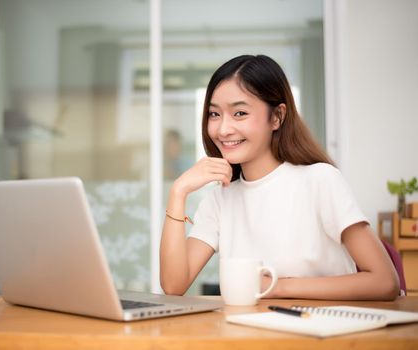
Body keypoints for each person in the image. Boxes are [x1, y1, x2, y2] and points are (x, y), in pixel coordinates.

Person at [159, 54, 400, 300]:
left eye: (240, 113)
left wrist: (276, 287)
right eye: (214, 114)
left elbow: (384, 281)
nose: (222, 129)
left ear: (277, 117)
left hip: (324, 333)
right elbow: (173, 285)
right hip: (251, 334)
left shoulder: (320, 180)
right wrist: (178, 191)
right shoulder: (221, 198)